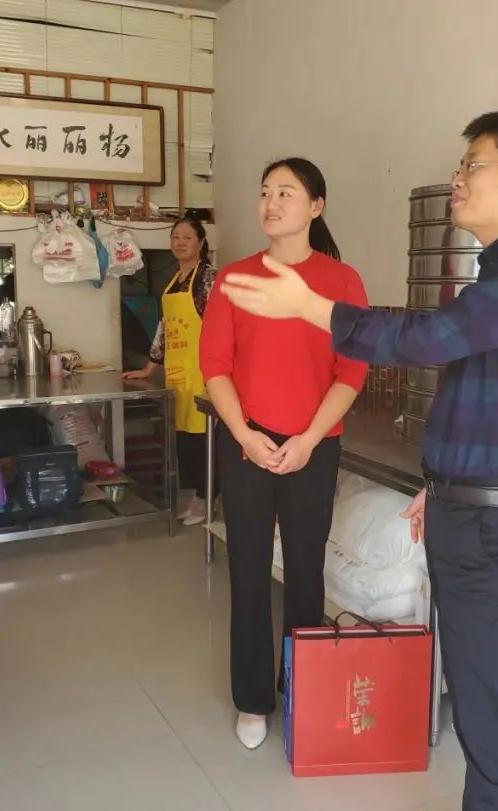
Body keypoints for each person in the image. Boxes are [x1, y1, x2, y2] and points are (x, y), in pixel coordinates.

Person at [218, 112, 498, 810]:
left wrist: (312, 307)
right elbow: (481, 397)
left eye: (473, 165)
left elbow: (432, 338)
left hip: (494, 525)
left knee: (486, 707)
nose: (458, 178)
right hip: (472, 506)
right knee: (480, 699)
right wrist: (442, 483)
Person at [199, 157, 369, 750]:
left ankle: (300, 686)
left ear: (316, 207)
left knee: (304, 572)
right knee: (247, 569)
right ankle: (252, 701)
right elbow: (214, 366)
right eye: (265, 192)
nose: (271, 203)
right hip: (247, 444)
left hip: (312, 446)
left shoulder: (341, 281)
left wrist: (309, 439)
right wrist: (244, 434)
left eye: (286, 193)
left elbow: (351, 371)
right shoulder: (235, 279)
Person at [124, 217, 218, 525]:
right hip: (178, 375)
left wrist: (221, 374)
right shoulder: (174, 280)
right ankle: (196, 498)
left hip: (204, 374)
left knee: (204, 440)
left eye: (187, 237)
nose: (180, 242)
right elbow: (164, 329)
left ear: (200, 243)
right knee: (185, 440)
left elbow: (223, 328)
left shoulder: (209, 279)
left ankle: (206, 500)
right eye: (175, 237)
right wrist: (148, 368)